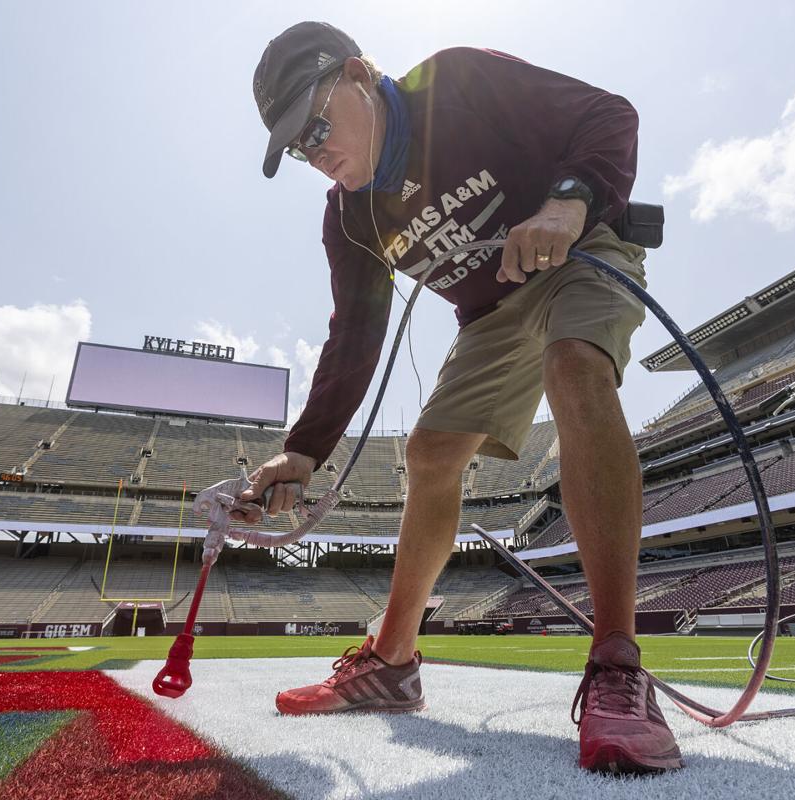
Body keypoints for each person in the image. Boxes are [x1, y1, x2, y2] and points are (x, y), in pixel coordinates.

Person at [243, 21, 682, 774]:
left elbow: (607, 115)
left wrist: (568, 204)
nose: (316, 156)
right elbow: (354, 335)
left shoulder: (457, 82)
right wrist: (304, 450)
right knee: (430, 452)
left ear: (357, 73)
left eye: (316, 127)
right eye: (298, 148)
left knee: (576, 366)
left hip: (579, 252)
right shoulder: (350, 215)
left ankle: (617, 665)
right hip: (493, 314)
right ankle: (392, 662)